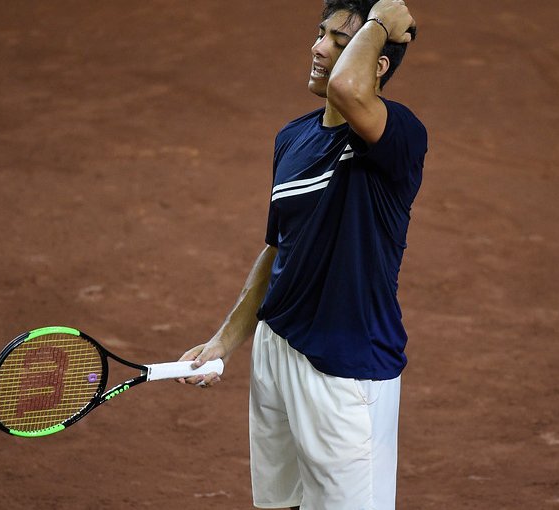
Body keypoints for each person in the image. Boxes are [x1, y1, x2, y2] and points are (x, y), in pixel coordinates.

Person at [178, 0, 426, 508]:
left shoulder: (398, 137)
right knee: (279, 504)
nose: (317, 48)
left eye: (338, 40)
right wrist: (225, 341)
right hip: (277, 347)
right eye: (320, 34)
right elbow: (278, 249)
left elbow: (347, 90)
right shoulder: (292, 137)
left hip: (345, 370)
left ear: (376, 63)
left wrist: (379, 20)